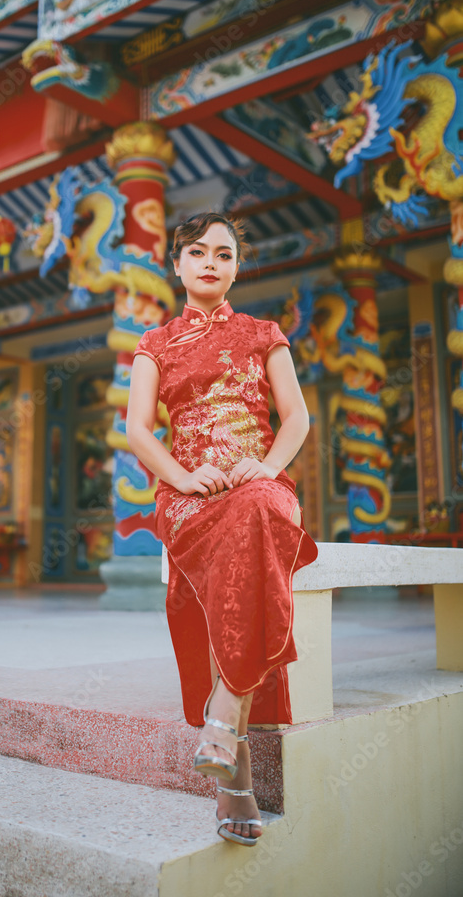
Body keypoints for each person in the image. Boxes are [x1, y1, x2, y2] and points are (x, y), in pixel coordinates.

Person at [126, 212, 318, 846]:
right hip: (190, 495)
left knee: (261, 510)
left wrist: (264, 465)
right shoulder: (154, 343)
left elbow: (296, 418)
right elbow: (136, 432)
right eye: (198, 251)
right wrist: (181, 478)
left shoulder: (265, 333)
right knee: (240, 552)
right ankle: (232, 760)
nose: (212, 262)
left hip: (258, 482)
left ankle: (226, 718)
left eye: (225, 254)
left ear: (236, 267)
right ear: (177, 264)